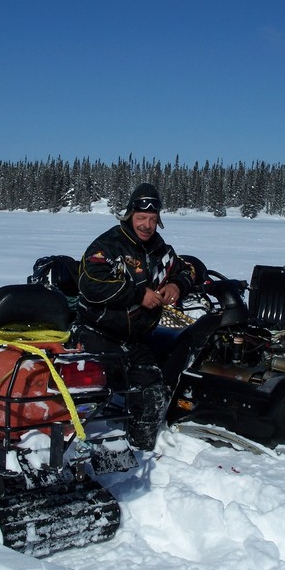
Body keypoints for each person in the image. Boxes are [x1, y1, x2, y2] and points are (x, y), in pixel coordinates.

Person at [71, 183, 195, 450]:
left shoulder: (160, 250)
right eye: (141, 218)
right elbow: (90, 283)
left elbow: (186, 270)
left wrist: (177, 285)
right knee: (90, 396)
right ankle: (77, 453)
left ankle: (141, 451)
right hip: (97, 333)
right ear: (129, 216)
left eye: (152, 219)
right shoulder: (109, 245)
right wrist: (138, 294)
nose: (147, 225)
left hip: (134, 339)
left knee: (152, 391)